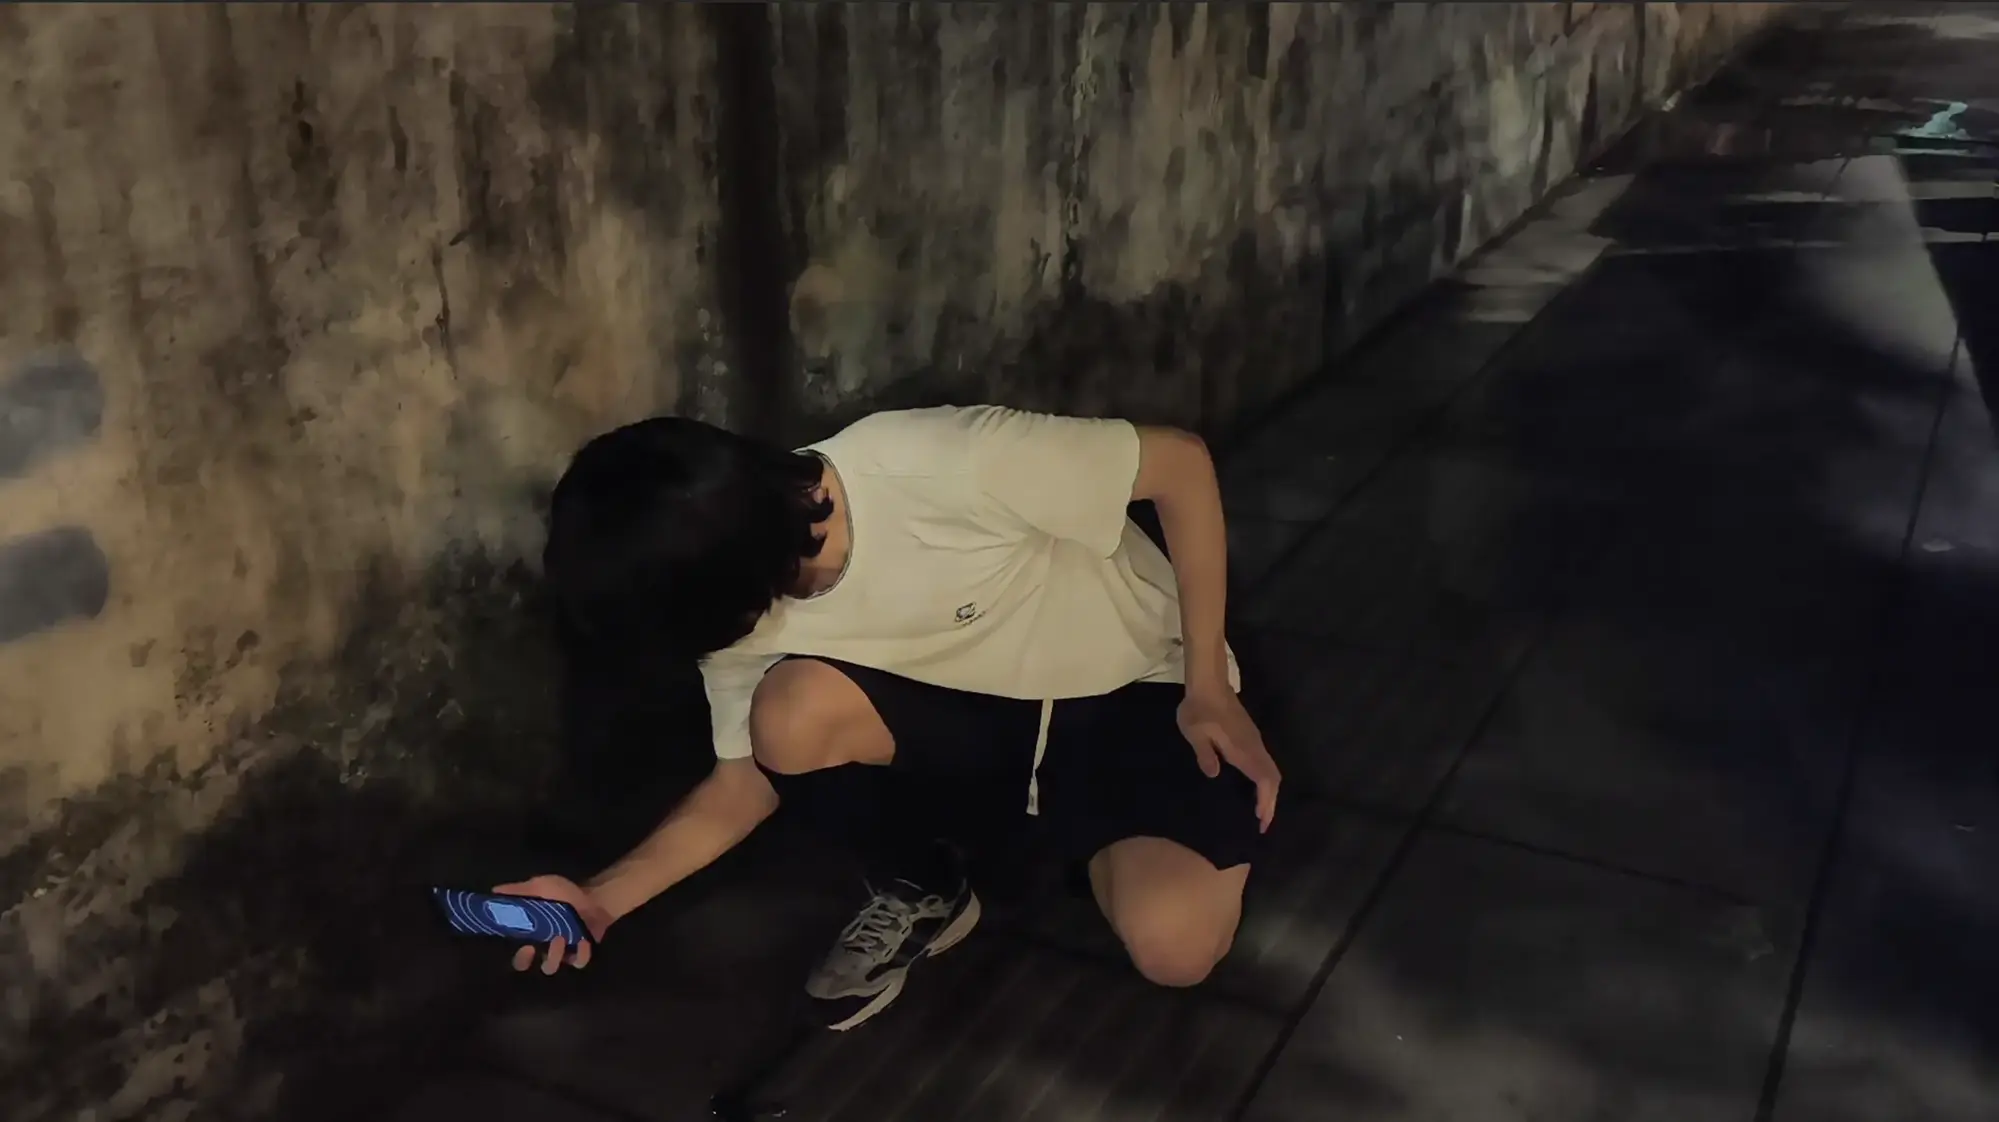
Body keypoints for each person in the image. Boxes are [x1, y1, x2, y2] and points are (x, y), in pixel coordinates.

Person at [499, 405, 1281, 1031]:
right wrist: (601, 899)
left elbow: (1180, 462)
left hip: (1135, 693)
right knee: (787, 715)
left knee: (1174, 949)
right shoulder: (733, 597)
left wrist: (1208, 686)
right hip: (982, 725)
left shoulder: (935, 462)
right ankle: (929, 885)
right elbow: (742, 783)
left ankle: (1075, 837)